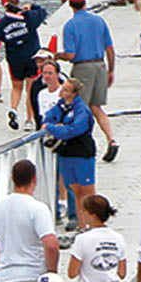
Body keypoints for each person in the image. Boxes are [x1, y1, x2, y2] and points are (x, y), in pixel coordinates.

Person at [58, 0, 119, 161]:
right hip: (100, 65)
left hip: (82, 69)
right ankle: (111, 140)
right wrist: (111, 70)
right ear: (85, 2)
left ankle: (84, 142)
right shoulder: (99, 21)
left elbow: (70, 55)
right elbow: (110, 49)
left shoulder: (70, 25)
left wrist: (57, 55)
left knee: (81, 108)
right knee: (97, 107)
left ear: (70, 5)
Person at [42, 78, 96, 232]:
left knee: (88, 191)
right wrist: (54, 126)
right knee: (75, 189)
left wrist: (54, 128)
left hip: (82, 153)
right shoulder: (61, 106)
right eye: (62, 88)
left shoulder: (82, 110)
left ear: (73, 93)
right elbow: (47, 118)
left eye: (65, 89)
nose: (61, 91)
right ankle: (81, 225)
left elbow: (73, 130)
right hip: (66, 153)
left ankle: (94, 224)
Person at [0, 0, 49, 130]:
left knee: (16, 87)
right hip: (32, 57)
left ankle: (13, 108)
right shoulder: (28, 17)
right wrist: (32, 7)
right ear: (18, 3)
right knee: (30, 89)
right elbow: (43, 12)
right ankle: (29, 120)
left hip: (14, 58)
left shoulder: (2, 23)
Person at [27, 52, 66, 132]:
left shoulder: (65, 84)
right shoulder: (37, 86)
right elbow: (37, 110)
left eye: (43, 60)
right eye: (38, 61)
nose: (40, 63)